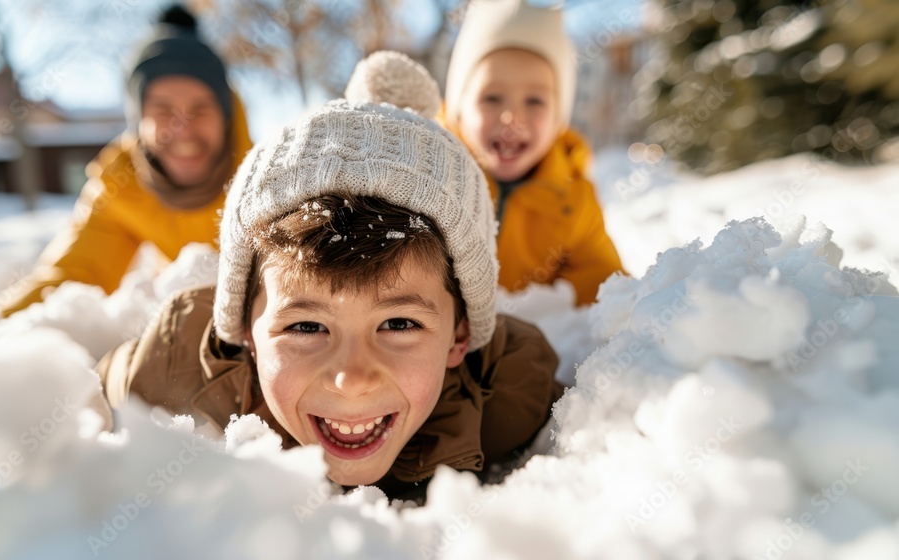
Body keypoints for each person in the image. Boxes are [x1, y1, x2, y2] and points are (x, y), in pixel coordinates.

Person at [96, 52, 563, 501]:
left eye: (399, 324)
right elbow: (88, 389)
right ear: (246, 331)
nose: (351, 379)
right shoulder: (172, 369)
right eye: (305, 326)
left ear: (460, 337)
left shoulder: (510, 389)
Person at [0, 5, 252, 317]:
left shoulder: (273, 181)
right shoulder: (122, 185)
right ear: (138, 122)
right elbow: (75, 274)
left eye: (200, 109)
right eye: (162, 110)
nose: (183, 130)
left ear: (225, 118)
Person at [443, 0, 624, 305]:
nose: (511, 116)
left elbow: (606, 290)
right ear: (459, 110)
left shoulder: (573, 200)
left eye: (535, 101)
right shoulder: (427, 178)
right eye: (492, 97)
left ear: (558, 120)